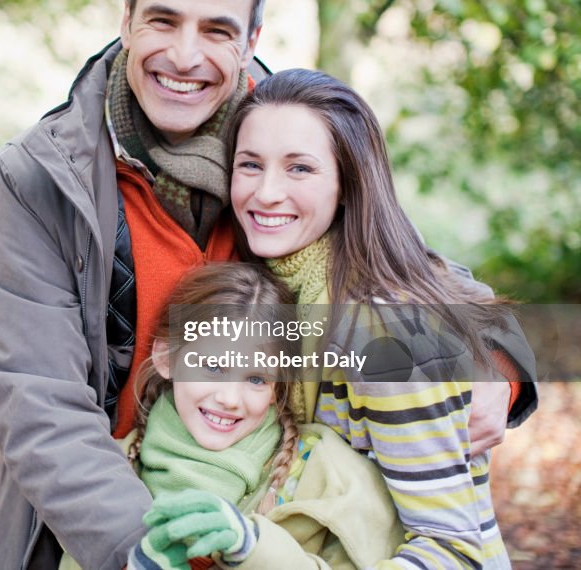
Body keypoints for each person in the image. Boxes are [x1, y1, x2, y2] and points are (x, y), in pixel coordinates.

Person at [0, 0, 535, 570]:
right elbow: (36, 399)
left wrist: (496, 365)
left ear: (250, 39)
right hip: (113, 520)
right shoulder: (37, 177)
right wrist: (140, 551)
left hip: (285, 521)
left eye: (216, 30)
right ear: (125, 21)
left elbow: (402, 260)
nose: (184, 56)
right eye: (162, 20)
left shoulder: (285, 133)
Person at [141, 67, 536, 568]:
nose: (266, 193)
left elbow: (456, 552)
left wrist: (501, 369)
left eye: (300, 169)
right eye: (250, 165)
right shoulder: (271, 283)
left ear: (348, 185)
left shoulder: (385, 339)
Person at [62, 262, 404, 570]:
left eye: (256, 379)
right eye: (212, 366)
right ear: (167, 357)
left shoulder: (325, 472)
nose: (229, 399)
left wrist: (253, 549)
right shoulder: (115, 470)